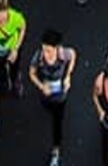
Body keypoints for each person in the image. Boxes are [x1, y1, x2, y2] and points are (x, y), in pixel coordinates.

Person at [27, 29, 77, 165]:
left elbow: (73, 55)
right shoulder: (38, 56)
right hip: (46, 93)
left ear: (57, 48)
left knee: (57, 121)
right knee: (46, 106)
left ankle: (56, 149)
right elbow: (31, 73)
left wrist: (68, 76)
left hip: (60, 96)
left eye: (49, 50)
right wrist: (41, 86)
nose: (46, 53)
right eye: (44, 49)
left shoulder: (63, 54)